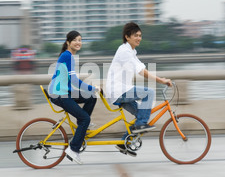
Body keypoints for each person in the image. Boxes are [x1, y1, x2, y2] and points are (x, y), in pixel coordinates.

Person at [106, 22, 172, 156]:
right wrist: (161, 81)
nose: (139, 38)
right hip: (119, 90)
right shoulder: (124, 51)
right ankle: (140, 125)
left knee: (140, 115)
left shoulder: (131, 51)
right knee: (149, 93)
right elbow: (141, 71)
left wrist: (160, 79)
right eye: (136, 35)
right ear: (127, 37)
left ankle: (123, 143)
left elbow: (140, 66)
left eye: (140, 35)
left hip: (122, 90)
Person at [48, 30, 98, 165]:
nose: (78, 42)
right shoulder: (67, 56)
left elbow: (69, 80)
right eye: (75, 40)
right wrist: (93, 88)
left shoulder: (68, 56)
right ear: (68, 43)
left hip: (65, 92)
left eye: (80, 40)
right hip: (59, 94)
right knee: (85, 118)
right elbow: (74, 80)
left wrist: (91, 91)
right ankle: (73, 149)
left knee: (91, 97)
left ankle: (82, 127)